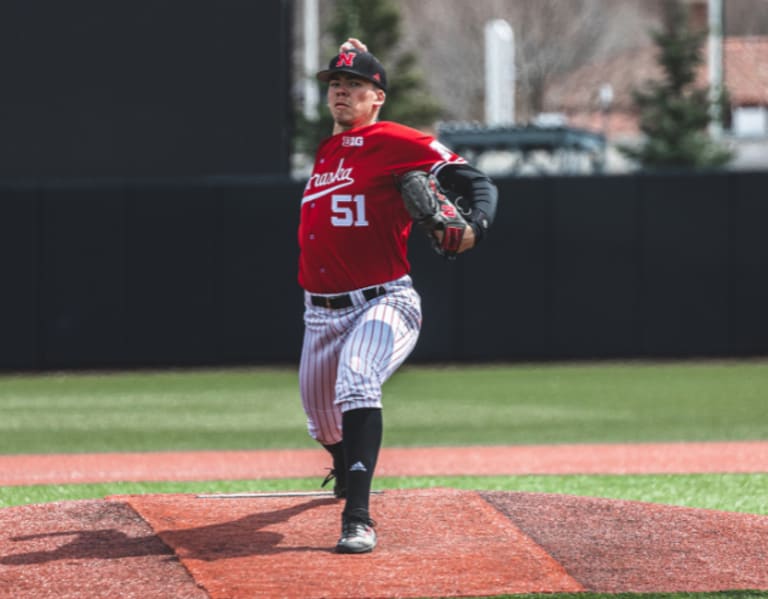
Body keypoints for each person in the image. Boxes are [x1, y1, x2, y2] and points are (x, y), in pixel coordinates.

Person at [297, 38, 498, 554]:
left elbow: (472, 179)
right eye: (336, 85)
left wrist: (475, 222)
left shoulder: (392, 139)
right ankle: (345, 468)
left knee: (359, 378)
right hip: (319, 313)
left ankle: (358, 517)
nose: (342, 93)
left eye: (355, 85)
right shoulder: (327, 151)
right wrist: (351, 51)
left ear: (377, 97)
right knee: (321, 419)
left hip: (383, 299)